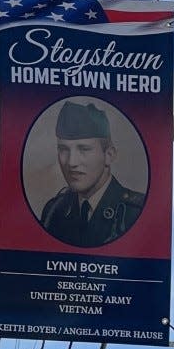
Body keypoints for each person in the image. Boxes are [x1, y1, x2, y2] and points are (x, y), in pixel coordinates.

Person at [38, 100, 145, 246]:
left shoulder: (134, 212)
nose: (71, 162)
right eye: (64, 149)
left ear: (109, 155)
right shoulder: (54, 211)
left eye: (84, 149)